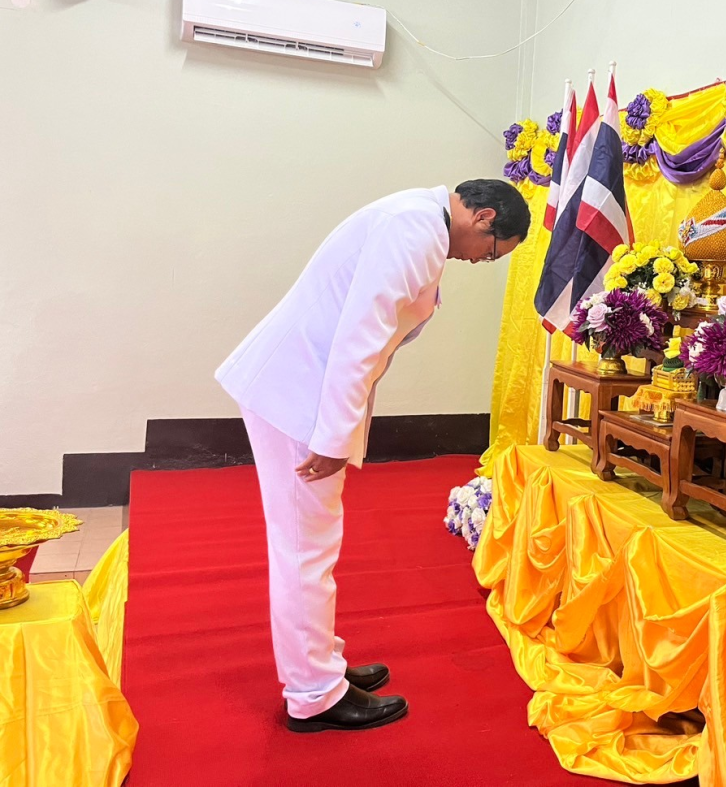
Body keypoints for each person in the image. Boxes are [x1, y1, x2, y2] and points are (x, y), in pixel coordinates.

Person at [215, 179, 530, 733]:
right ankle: (313, 694)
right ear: (483, 218)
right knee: (304, 548)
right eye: (492, 252)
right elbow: (359, 337)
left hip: (303, 389)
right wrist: (335, 437)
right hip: (298, 396)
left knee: (314, 543)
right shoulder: (414, 231)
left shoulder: (420, 221)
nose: (483, 261)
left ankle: (322, 664)